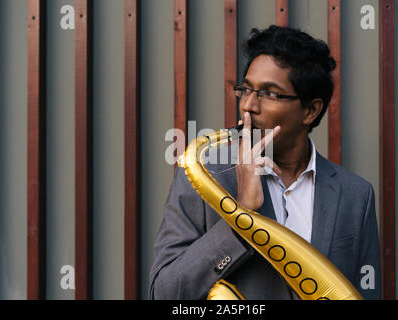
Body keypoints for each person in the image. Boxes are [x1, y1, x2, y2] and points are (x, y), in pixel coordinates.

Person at [149, 25, 381, 300]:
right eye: (246, 89)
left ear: (311, 110)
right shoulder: (204, 178)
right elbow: (164, 292)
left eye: (269, 93)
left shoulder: (357, 195)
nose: (248, 105)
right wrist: (241, 216)